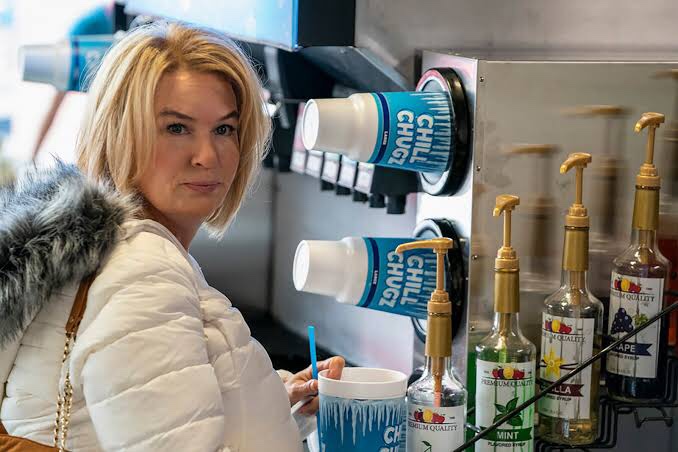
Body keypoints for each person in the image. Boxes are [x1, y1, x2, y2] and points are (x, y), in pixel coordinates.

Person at [0, 21, 344, 451]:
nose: (207, 156)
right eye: (177, 128)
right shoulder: (144, 274)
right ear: (121, 133)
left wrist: (275, 404)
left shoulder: (102, 249)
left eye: (224, 129)